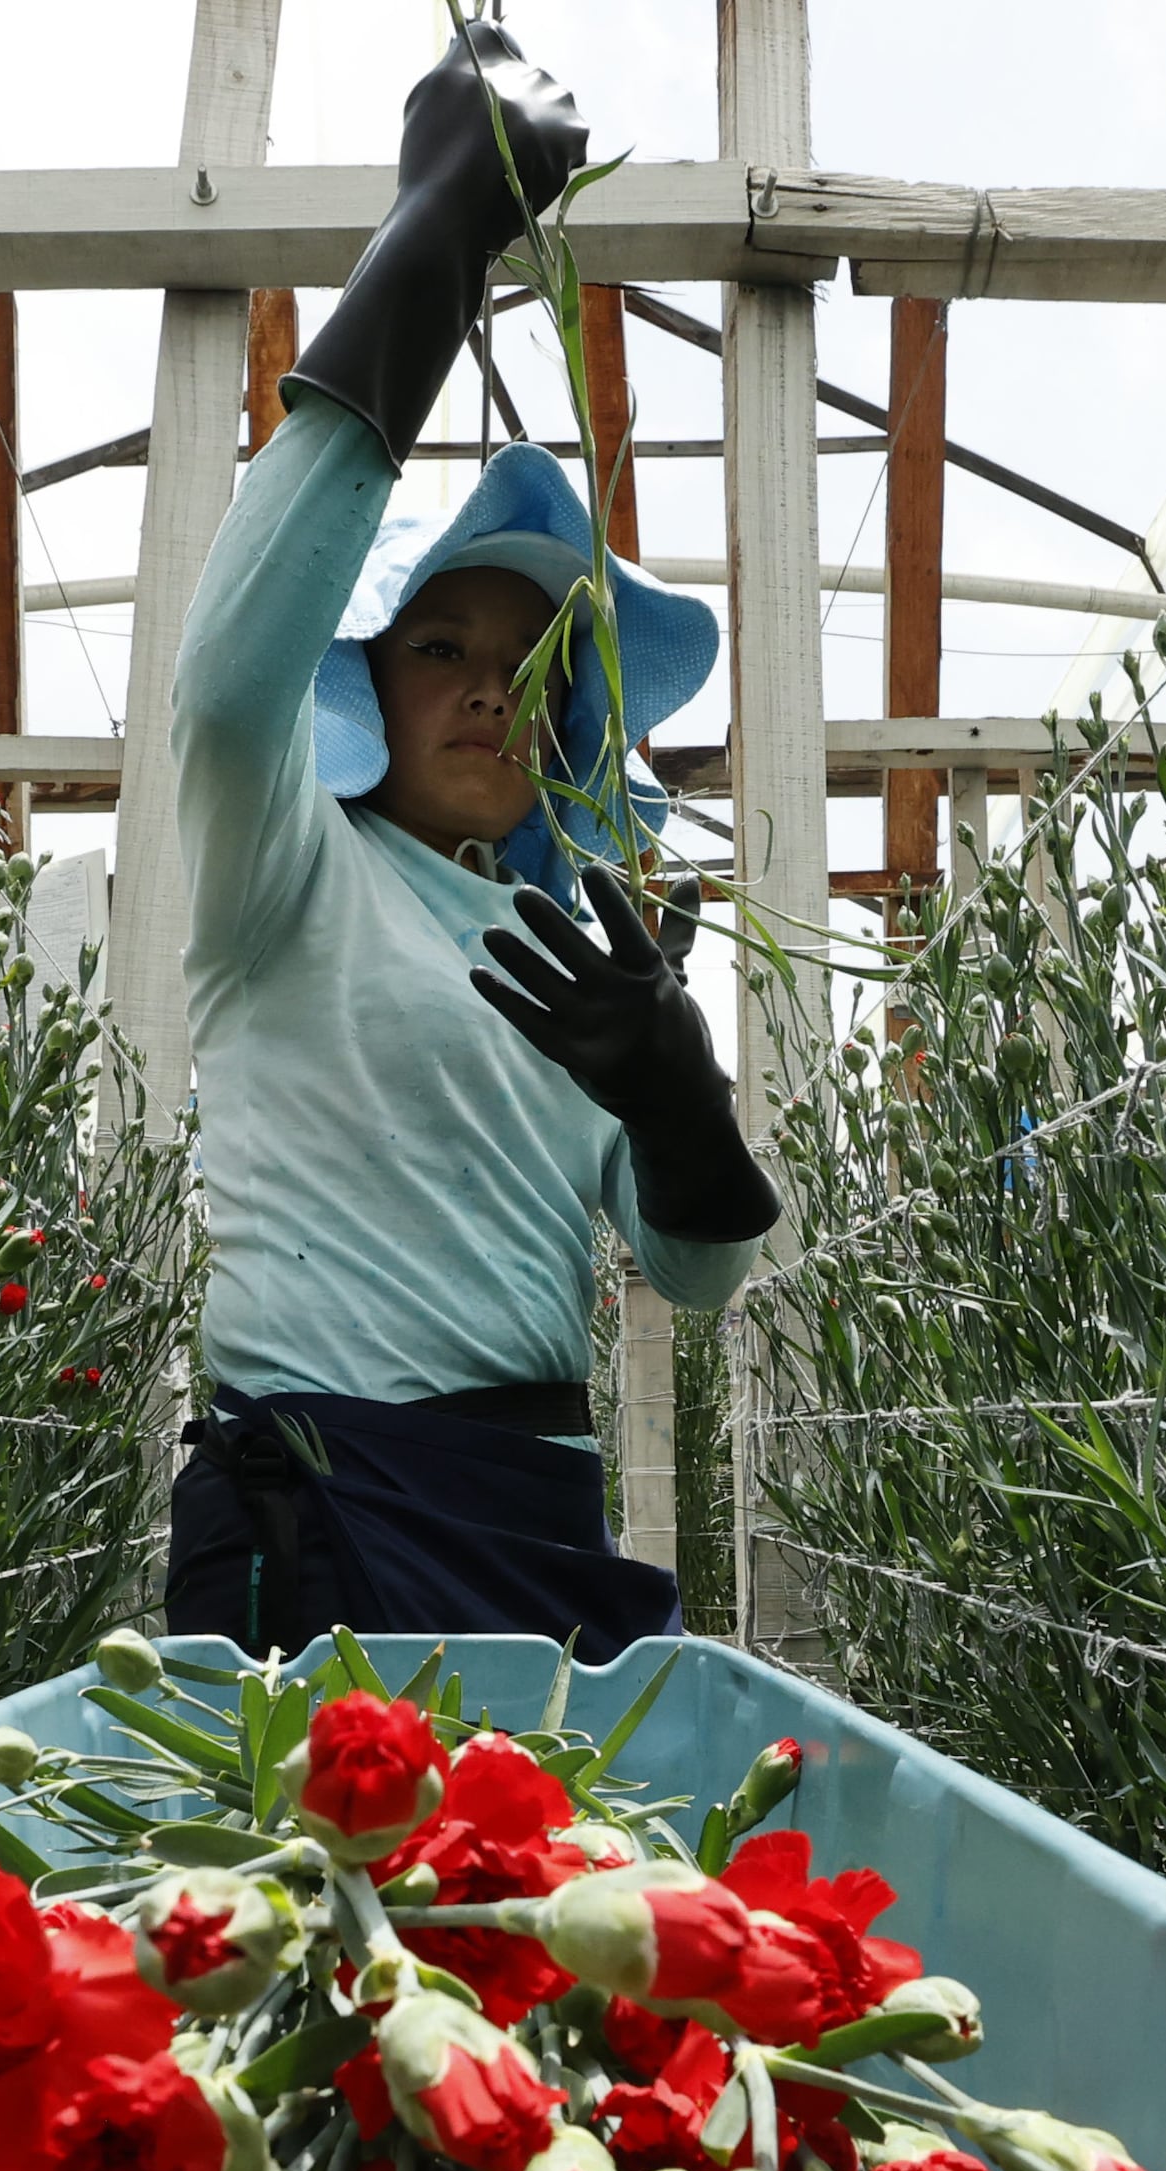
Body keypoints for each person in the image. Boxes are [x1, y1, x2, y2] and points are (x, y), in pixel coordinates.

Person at [154, 20, 777, 1663]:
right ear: (365, 681)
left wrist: (675, 1091)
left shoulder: (582, 953)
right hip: (326, 1502)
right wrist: (436, 234)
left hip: (539, 1507)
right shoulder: (291, 869)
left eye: (532, 664)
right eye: (440, 649)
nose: (489, 692)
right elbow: (225, 692)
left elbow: (693, 1277)